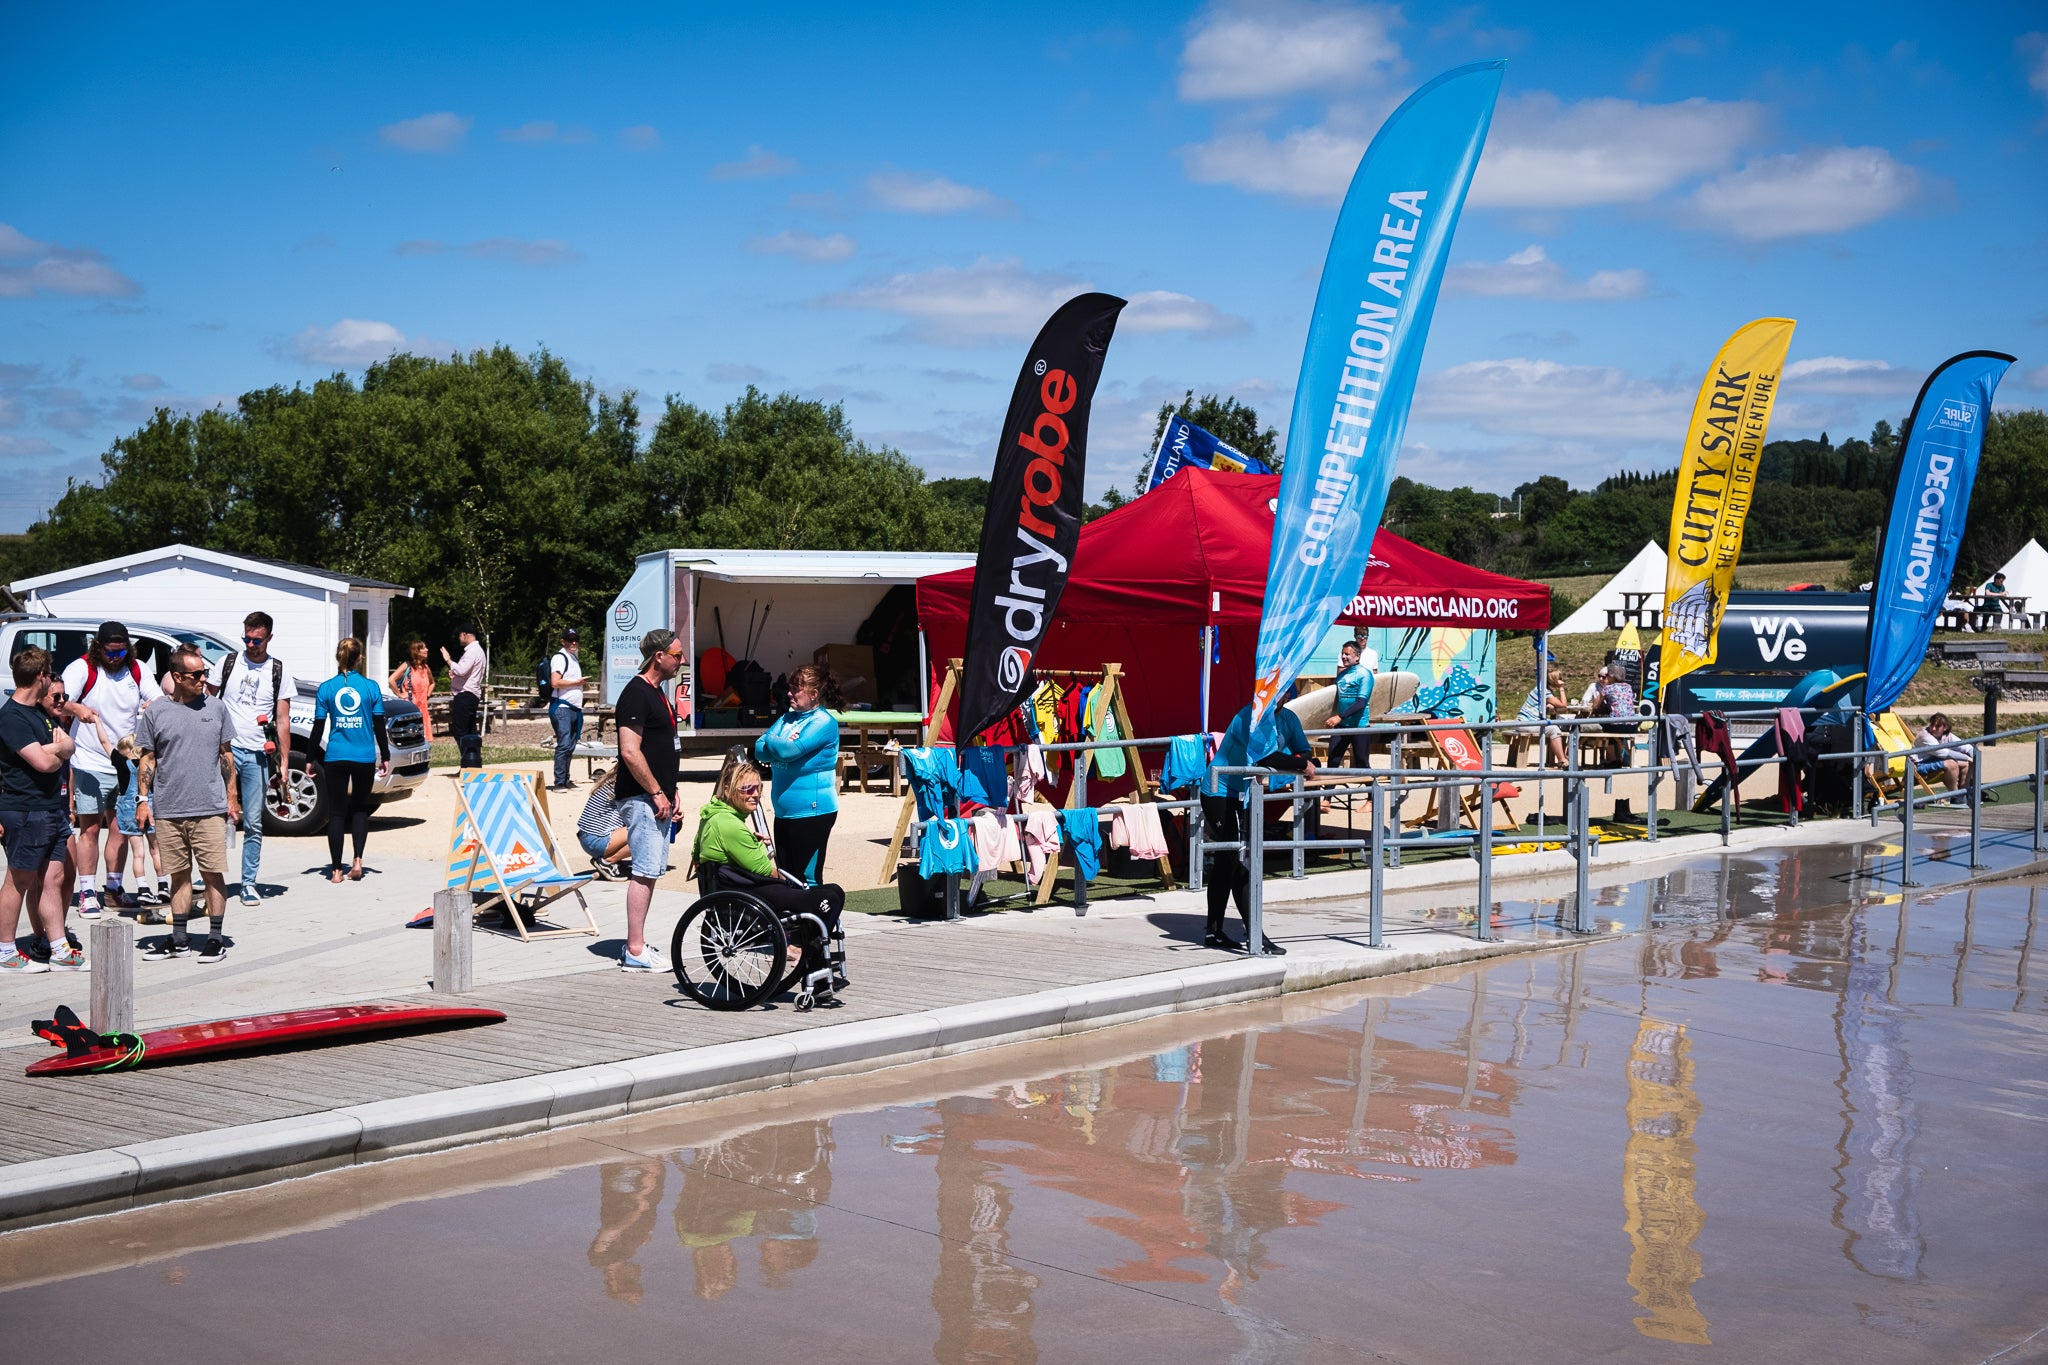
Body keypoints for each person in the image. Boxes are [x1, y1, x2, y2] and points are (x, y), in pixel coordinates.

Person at [692, 757, 845, 986]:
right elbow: (766, 871)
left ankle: (809, 954)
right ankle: (811, 960)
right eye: (747, 788)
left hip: (739, 889)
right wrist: (783, 874)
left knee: (831, 893)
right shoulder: (729, 825)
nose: (755, 794)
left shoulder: (713, 816)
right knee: (829, 897)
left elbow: (699, 854)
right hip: (754, 894)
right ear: (728, 790)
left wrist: (750, 842)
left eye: (758, 788)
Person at [135, 646, 241, 963]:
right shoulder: (156, 713)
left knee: (212, 874)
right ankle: (179, 940)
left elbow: (226, 755)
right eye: (197, 675)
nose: (203, 679)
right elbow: (147, 759)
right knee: (178, 877)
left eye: (204, 673)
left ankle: (214, 939)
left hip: (209, 807)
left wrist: (231, 797)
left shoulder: (217, 708)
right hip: (169, 809)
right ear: (178, 677)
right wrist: (143, 799)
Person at [59, 621, 161, 917]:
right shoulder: (82, 669)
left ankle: (114, 889)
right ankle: (87, 891)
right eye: (110, 652)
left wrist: (155, 708)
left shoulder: (137, 669)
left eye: (120, 652)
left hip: (126, 764)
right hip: (90, 761)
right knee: (90, 828)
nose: (115, 658)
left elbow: (155, 699)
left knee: (121, 828)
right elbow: (58, 700)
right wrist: (76, 708)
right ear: (98, 646)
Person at [1199, 700, 1315, 955]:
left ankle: (1214, 931)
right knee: (1240, 862)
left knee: (1226, 863)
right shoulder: (1248, 716)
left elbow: (1305, 751)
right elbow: (1268, 756)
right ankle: (1255, 935)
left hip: (1244, 794)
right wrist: (1299, 765)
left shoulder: (1288, 718)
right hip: (1219, 792)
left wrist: (1299, 761)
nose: (1281, 694)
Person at [0, 647, 84, 975]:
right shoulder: (11, 717)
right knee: (18, 881)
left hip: (51, 810)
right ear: (40, 677)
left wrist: (57, 749)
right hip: (25, 810)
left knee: (54, 878)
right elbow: (44, 762)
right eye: (48, 674)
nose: (50, 679)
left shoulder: (38, 712)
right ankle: (6, 950)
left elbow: (67, 746)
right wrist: (56, 750)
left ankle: (60, 948)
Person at [208, 610, 294, 907]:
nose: (250, 644)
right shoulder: (228, 663)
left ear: (269, 637)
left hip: (258, 753)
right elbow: (206, 701)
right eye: (246, 637)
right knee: (214, 817)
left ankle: (248, 882)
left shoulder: (277, 671)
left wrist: (283, 763)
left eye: (257, 639)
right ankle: (209, 878)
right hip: (225, 751)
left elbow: (283, 719)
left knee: (254, 821)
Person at [614, 629, 683, 971]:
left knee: (652, 870)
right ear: (659, 656)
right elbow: (630, 750)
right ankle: (634, 949)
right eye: (677, 656)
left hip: (658, 795)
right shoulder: (636, 693)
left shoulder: (658, 694)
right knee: (643, 871)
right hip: (642, 797)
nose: (681, 662)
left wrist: (672, 790)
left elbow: (664, 748)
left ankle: (637, 944)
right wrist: (656, 792)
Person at [310, 638, 390, 884]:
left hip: (335, 755)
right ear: (360, 658)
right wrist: (384, 755)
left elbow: (318, 727)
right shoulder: (370, 687)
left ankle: (335, 871)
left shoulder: (326, 688)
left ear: (338, 657)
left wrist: (312, 757)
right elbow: (378, 725)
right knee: (359, 809)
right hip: (363, 755)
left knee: (335, 813)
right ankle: (357, 860)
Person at [752, 663, 839, 886]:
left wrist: (773, 742)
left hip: (813, 813)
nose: (789, 694)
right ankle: (792, 921)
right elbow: (757, 749)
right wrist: (778, 745)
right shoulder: (787, 718)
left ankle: (817, 922)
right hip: (785, 814)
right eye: (790, 688)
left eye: (796, 689)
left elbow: (787, 751)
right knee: (786, 877)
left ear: (814, 694)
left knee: (807, 879)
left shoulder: (824, 722)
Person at [1323, 640, 1374, 771]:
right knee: (1332, 763)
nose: (1344, 657)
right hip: (1341, 727)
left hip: (1359, 727)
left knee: (1362, 764)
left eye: (1347, 654)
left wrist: (1339, 717)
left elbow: (1361, 703)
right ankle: (1327, 792)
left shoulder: (1365, 674)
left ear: (1357, 656)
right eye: (1342, 654)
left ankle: (1373, 791)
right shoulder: (1341, 676)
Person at [442, 624, 486, 769]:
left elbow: (462, 670)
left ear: (466, 634)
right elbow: (465, 673)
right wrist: (454, 676)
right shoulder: (477, 651)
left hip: (465, 695)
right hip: (470, 694)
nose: (459, 638)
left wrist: (449, 660)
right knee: (470, 731)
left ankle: (469, 763)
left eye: (460, 635)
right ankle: (473, 763)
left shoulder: (472, 651)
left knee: (460, 730)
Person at [547, 627, 585, 792]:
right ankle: (559, 783)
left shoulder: (573, 658)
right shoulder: (559, 658)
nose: (574, 642)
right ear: (563, 641)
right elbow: (555, 682)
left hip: (573, 709)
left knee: (570, 745)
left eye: (576, 639)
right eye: (570, 640)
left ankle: (566, 779)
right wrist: (577, 683)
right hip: (562, 708)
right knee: (563, 745)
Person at [575, 765, 630, 879]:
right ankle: (607, 861)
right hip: (596, 840)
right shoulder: (624, 786)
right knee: (647, 832)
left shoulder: (613, 781)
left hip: (589, 837)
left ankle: (614, 860)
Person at [1914, 712, 1974, 796]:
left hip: (1934, 760)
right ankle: (1955, 795)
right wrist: (1967, 757)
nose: (1933, 729)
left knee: (1966, 764)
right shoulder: (1925, 736)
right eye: (1932, 725)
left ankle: (1964, 792)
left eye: (1937, 726)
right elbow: (1943, 752)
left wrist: (1972, 757)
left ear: (1945, 728)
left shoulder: (1947, 735)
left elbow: (1966, 746)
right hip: (1919, 765)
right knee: (1952, 764)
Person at [388, 639, 435, 740]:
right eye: (423, 648)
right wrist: (400, 694)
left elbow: (432, 683)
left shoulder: (425, 667)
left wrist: (428, 695)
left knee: (425, 741)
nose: (426, 650)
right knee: (411, 739)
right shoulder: (407, 666)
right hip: (410, 708)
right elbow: (391, 680)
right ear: (416, 651)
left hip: (423, 709)